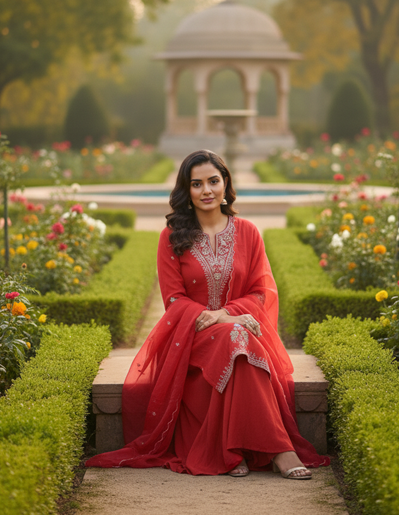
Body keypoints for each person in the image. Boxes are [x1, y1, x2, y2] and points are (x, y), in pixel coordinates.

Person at [86, 150, 329, 478]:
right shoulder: (171, 238)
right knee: (238, 336)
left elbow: (261, 292)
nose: (206, 190)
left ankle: (232, 451)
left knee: (238, 340)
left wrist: (227, 315)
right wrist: (219, 318)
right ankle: (278, 449)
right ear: (186, 191)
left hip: (238, 330)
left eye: (213, 181)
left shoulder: (248, 233)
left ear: (225, 183)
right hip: (191, 334)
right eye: (196, 184)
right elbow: (174, 299)